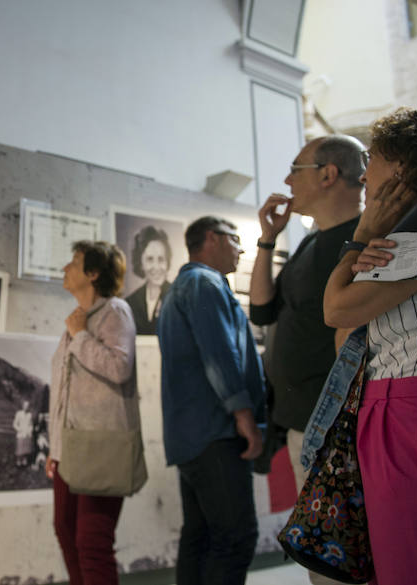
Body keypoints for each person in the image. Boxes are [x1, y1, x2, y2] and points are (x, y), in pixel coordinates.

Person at [322, 106, 417, 585]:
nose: (364, 172)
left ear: (402, 166)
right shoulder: (402, 229)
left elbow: (337, 309)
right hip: (390, 405)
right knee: (400, 564)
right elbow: (343, 332)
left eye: (372, 158)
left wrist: (358, 240)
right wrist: (362, 240)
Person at [248, 136, 365, 583]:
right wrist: (266, 241)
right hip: (304, 420)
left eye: (295, 168)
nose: (285, 179)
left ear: (328, 174)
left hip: (336, 424)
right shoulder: (310, 243)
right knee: (319, 556)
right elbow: (262, 308)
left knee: (336, 554)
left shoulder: (362, 240)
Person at [157, 216, 265, 585]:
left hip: (190, 439)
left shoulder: (175, 291)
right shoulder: (205, 283)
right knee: (236, 539)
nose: (241, 249)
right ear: (211, 239)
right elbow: (219, 355)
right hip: (215, 433)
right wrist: (244, 416)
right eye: (235, 239)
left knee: (200, 539)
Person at [46, 240, 141, 585]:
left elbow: (119, 368)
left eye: (74, 262)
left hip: (101, 449)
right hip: (69, 450)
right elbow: (63, 395)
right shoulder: (77, 321)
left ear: (94, 273)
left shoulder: (115, 311)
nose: (65, 269)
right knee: (66, 531)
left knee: (92, 542)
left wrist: (81, 335)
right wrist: (54, 449)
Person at [124, 225, 173, 335]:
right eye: (150, 259)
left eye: (161, 259)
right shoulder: (130, 302)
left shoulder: (178, 297)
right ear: (141, 263)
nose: (156, 267)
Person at [12, 400, 34, 467]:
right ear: (23, 406)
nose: (26, 407)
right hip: (20, 433)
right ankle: (18, 461)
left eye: (27, 406)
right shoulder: (19, 413)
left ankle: (25, 461)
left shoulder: (30, 415)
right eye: (25, 406)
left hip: (27, 433)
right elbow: (14, 424)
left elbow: (31, 425)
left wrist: (30, 431)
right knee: (20, 448)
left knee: (26, 448)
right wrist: (19, 429)